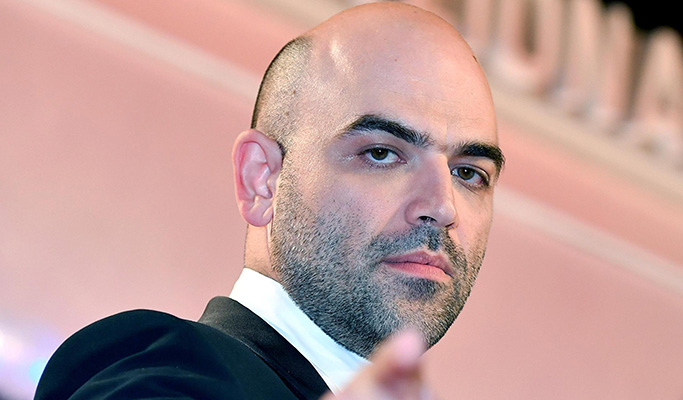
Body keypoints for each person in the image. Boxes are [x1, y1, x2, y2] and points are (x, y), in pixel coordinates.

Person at [34, 2, 503, 399]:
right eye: (381, 154)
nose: (444, 206)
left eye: (469, 173)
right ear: (262, 179)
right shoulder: (175, 372)